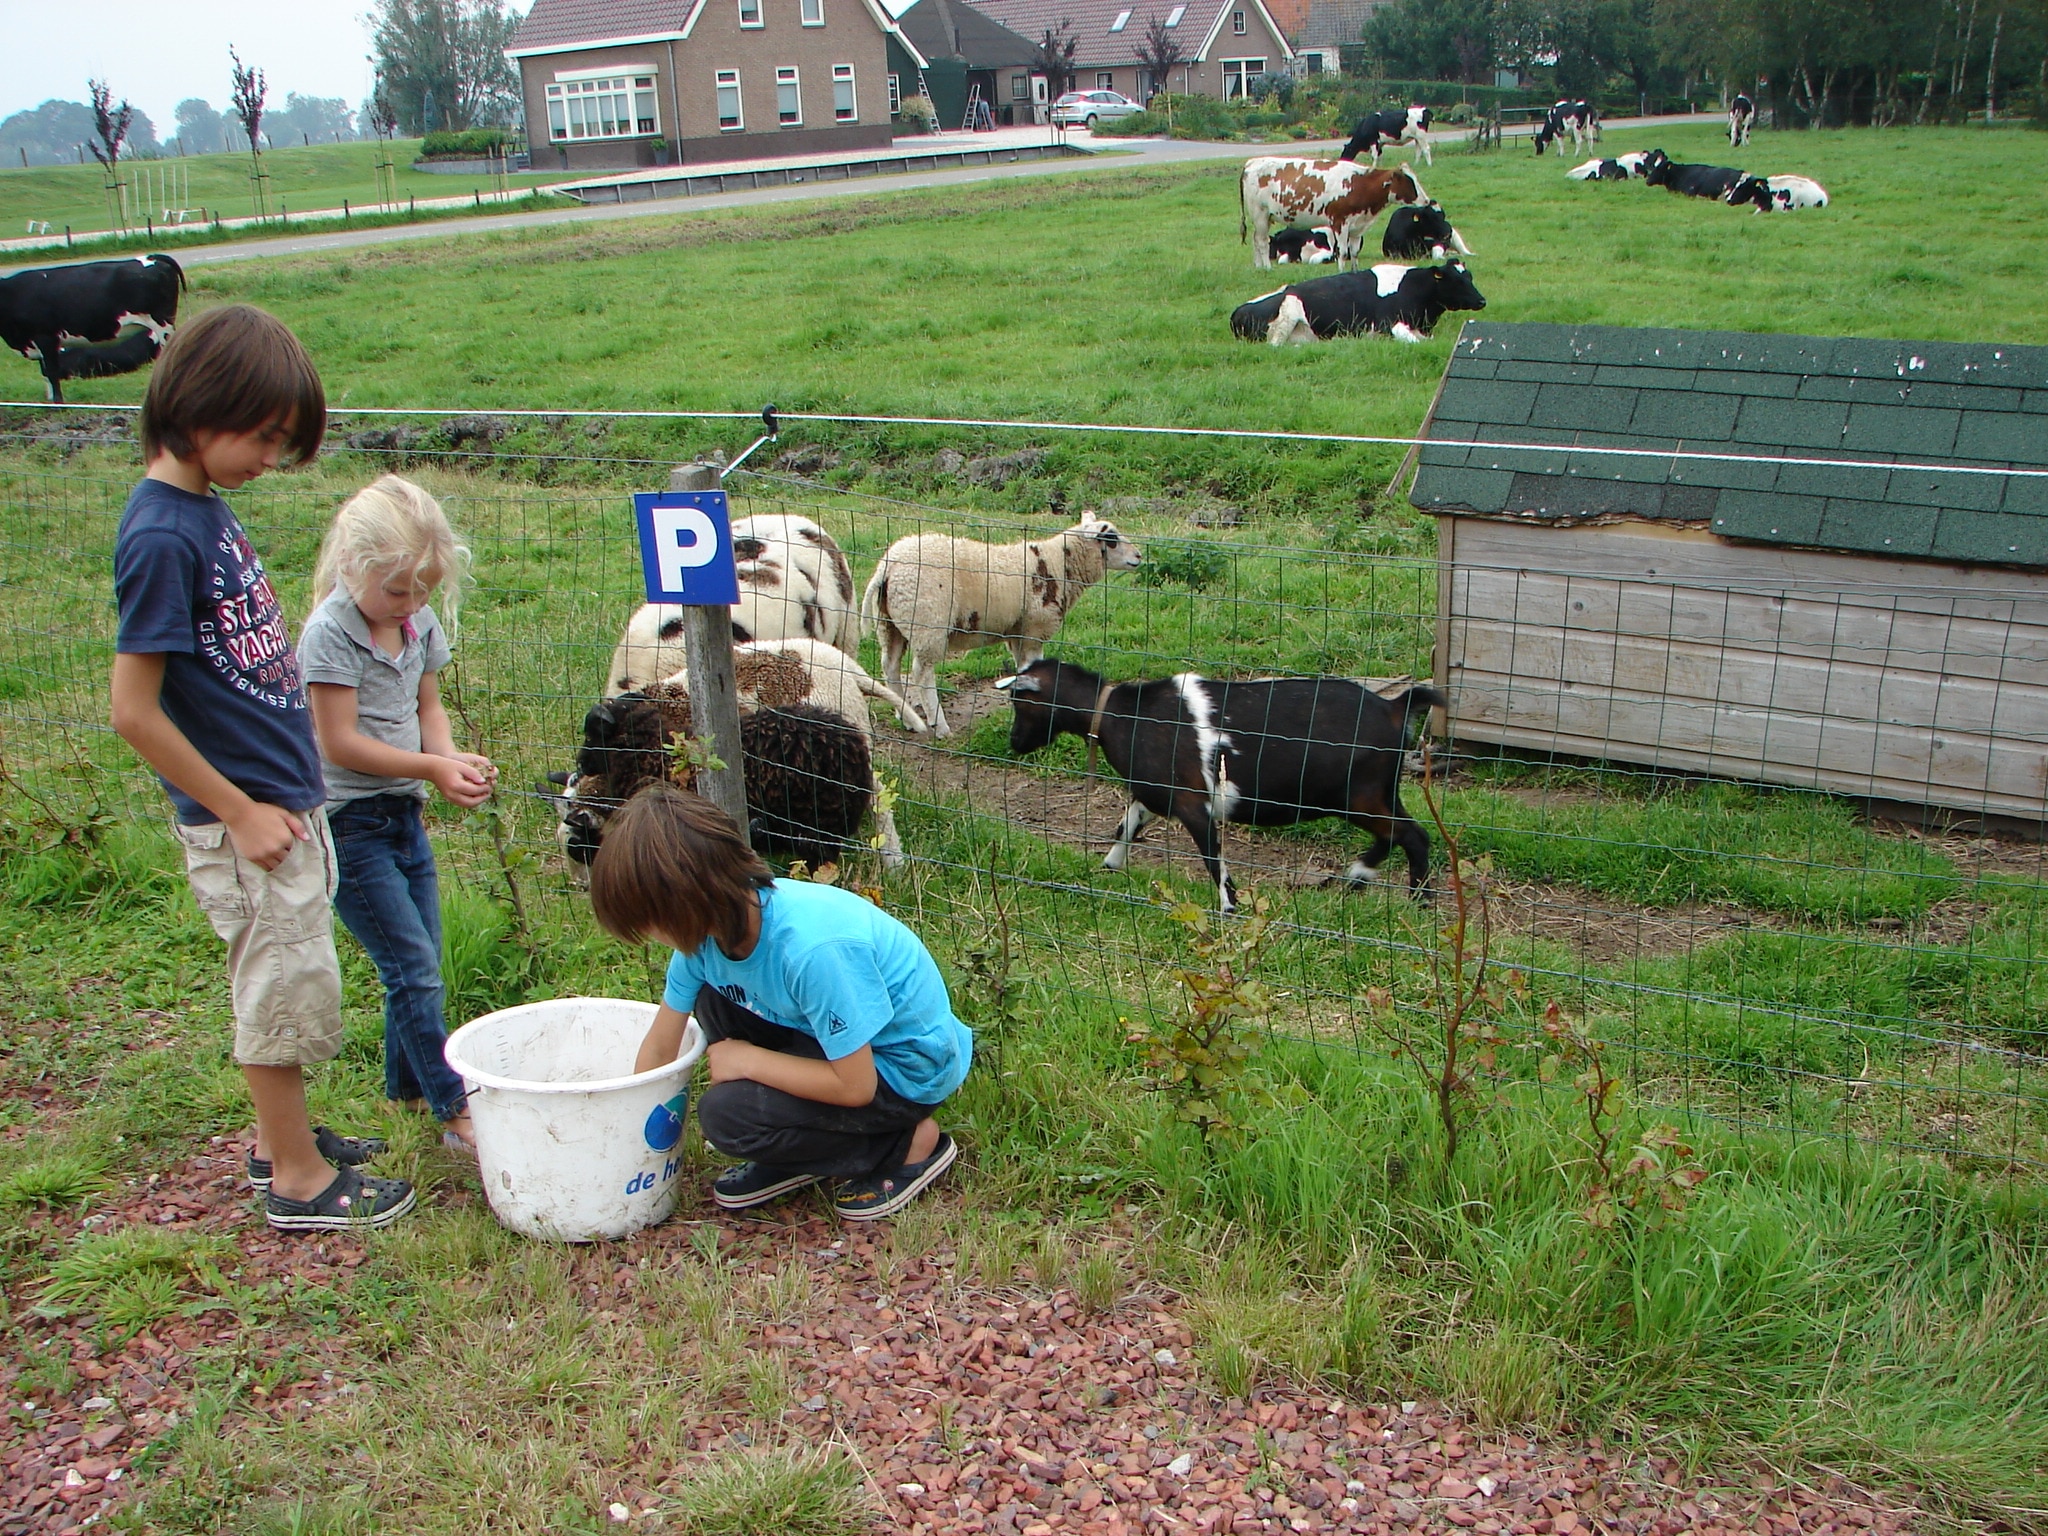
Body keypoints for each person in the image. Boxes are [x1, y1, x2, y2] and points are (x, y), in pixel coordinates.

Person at [110, 304, 414, 1231]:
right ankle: (296, 1179)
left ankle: (289, 1138)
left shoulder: (203, 506)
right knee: (279, 988)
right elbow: (132, 709)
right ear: (201, 405)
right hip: (247, 818)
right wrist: (238, 811)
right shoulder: (163, 535)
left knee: (293, 976)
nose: (273, 460)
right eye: (266, 436)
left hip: (280, 802)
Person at [588, 783, 971, 1221]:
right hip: (840, 1050)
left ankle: (908, 1144)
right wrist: (624, 1138)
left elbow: (856, 1086)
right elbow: (661, 1046)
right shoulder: (705, 940)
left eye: (649, 923)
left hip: (904, 1071)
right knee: (714, 1000)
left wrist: (749, 1061)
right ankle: (797, 1152)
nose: (649, 937)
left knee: (727, 1116)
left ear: (684, 902)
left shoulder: (811, 950)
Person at [299, 475, 495, 1153]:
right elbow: (340, 742)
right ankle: (452, 1108)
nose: (411, 604)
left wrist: (450, 761)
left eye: (423, 590)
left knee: (420, 958)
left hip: (402, 813)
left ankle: (404, 1093)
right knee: (412, 968)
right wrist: (430, 768)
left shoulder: (415, 620)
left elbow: (427, 708)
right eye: (397, 590)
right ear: (351, 565)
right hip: (351, 825)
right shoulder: (329, 634)